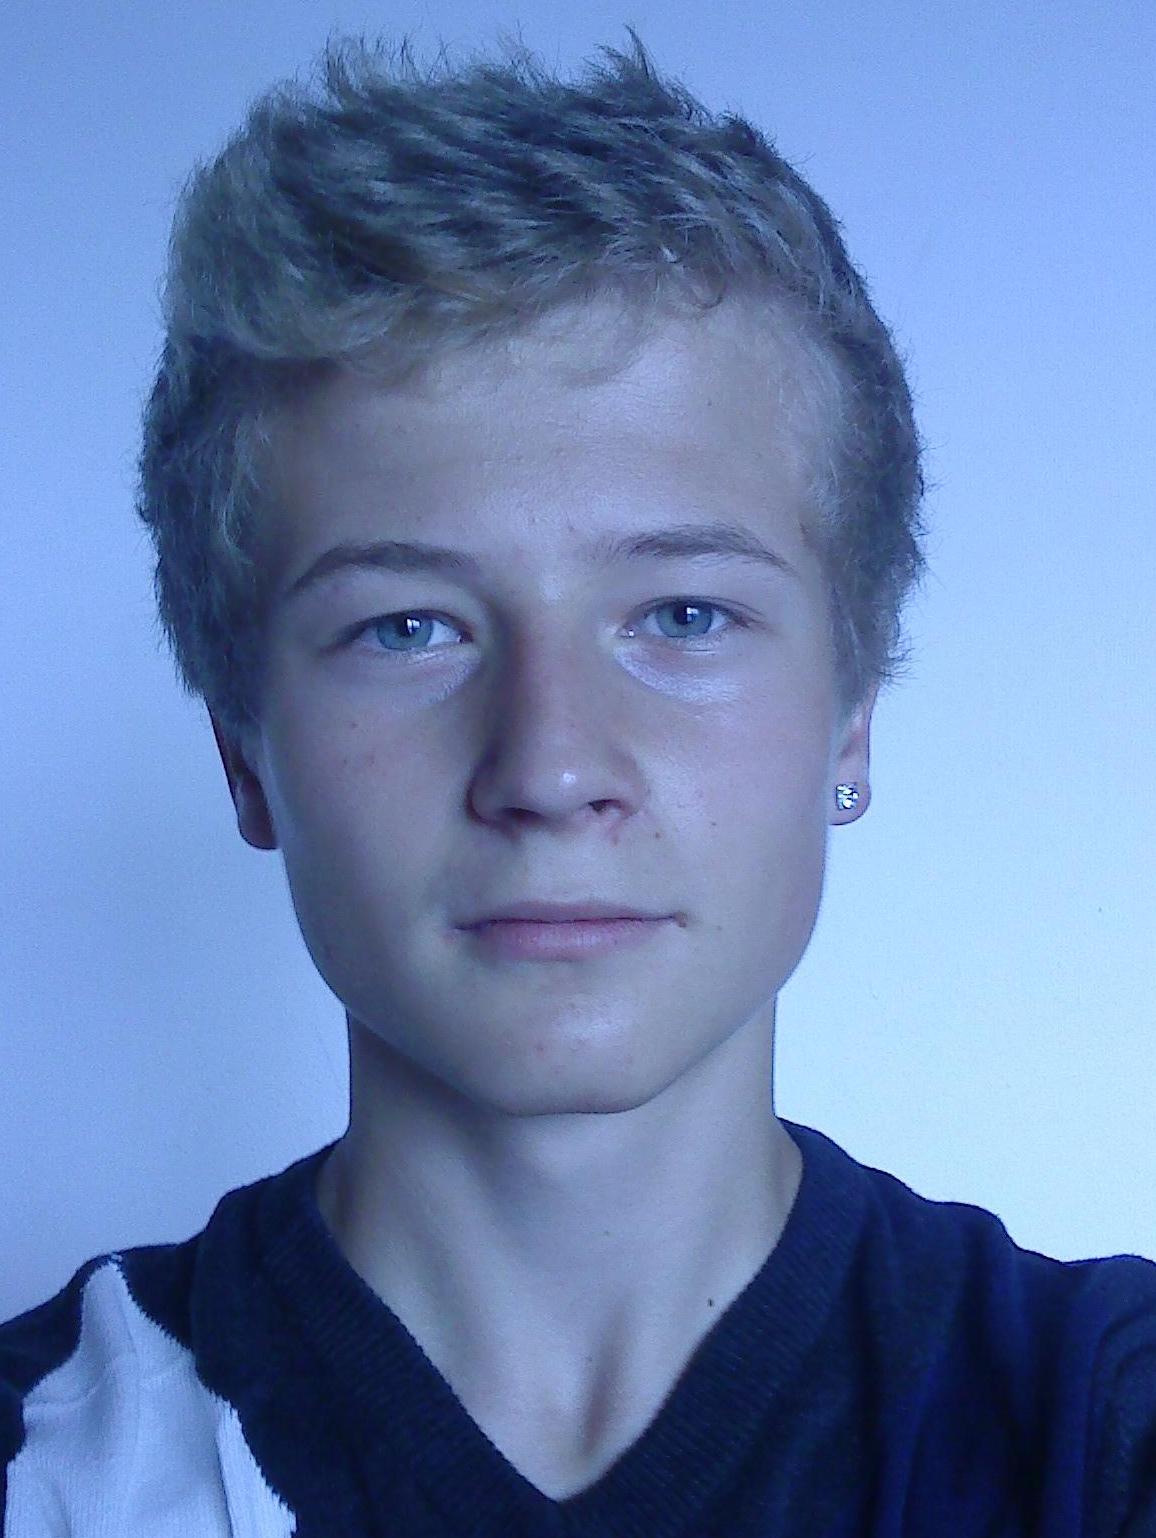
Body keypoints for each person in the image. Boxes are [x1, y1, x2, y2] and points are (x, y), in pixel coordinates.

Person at [2, 27, 1153, 1536]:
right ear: (242, 745)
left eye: (683, 614)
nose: (549, 767)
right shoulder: (43, 1463)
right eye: (407, 627)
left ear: (851, 715)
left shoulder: (1099, 1431)